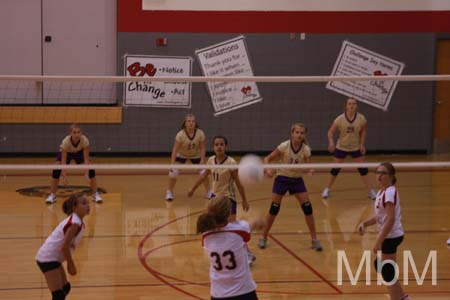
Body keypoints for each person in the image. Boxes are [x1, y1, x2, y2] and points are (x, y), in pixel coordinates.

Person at [188, 136, 255, 265]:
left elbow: (239, 183)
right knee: (212, 226)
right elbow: (204, 176)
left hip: (228, 199)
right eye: (217, 144)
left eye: (222, 144)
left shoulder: (231, 162)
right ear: (213, 147)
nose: (219, 147)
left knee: (232, 229)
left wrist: (244, 200)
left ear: (226, 147)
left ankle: (248, 253)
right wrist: (193, 189)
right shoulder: (211, 160)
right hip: (214, 199)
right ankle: (220, 252)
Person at [258, 123, 322, 251]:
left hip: (297, 180)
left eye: (302, 133)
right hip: (282, 178)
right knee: (274, 209)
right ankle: (263, 237)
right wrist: (267, 170)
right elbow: (267, 159)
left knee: (308, 208)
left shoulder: (306, 149)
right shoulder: (284, 146)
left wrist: (310, 170)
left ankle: (315, 240)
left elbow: (309, 166)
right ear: (292, 133)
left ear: (304, 135)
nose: (299, 135)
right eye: (297, 132)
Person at [358, 162, 409, 300]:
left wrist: (378, 242)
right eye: (377, 172)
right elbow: (380, 216)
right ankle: (403, 297)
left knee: (387, 271)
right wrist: (365, 223)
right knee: (382, 267)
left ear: (391, 176)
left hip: (391, 236)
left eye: (383, 173)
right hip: (389, 236)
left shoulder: (390, 192)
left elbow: (390, 219)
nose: (379, 176)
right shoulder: (382, 192)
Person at [197, 196, 264, 300]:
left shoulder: (206, 236)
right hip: (244, 292)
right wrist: (259, 221)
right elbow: (254, 224)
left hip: (218, 294)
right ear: (229, 214)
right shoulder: (240, 229)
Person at [36, 194, 90, 300]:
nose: (88, 206)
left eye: (88, 203)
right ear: (74, 208)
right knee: (58, 295)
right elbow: (64, 247)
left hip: (53, 258)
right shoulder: (74, 223)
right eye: (84, 203)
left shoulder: (78, 221)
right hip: (48, 258)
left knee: (65, 287)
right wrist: (71, 264)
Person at [322, 98, 376, 200]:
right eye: (349, 104)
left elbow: (363, 132)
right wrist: (331, 142)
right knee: (335, 169)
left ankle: (370, 191)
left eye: (354, 104)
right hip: (341, 147)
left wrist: (362, 144)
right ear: (346, 106)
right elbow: (330, 132)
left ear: (356, 106)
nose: (351, 106)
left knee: (363, 169)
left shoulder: (361, 118)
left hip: (355, 147)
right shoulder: (339, 119)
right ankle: (327, 189)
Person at [46, 124, 102, 204]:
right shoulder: (66, 142)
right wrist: (64, 176)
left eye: (78, 132)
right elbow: (64, 161)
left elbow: (86, 159)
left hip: (79, 152)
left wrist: (86, 173)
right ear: (71, 134)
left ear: (81, 133)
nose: (77, 134)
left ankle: (95, 194)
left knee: (91, 169)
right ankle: (52, 195)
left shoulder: (84, 140)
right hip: (67, 153)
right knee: (56, 169)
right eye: (74, 132)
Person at [166, 113, 212, 201]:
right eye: (189, 121)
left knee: (204, 172)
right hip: (182, 155)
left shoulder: (200, 133)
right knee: (173, 172)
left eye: (193, 121)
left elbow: (202, 148)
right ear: (185, 123)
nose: (191, 123)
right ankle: (169, 192)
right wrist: (172, 164)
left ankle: (209, 192)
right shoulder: (180, 134)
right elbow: (175, 150)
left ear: (195, 123)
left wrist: (202, 160)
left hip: (195, 155)